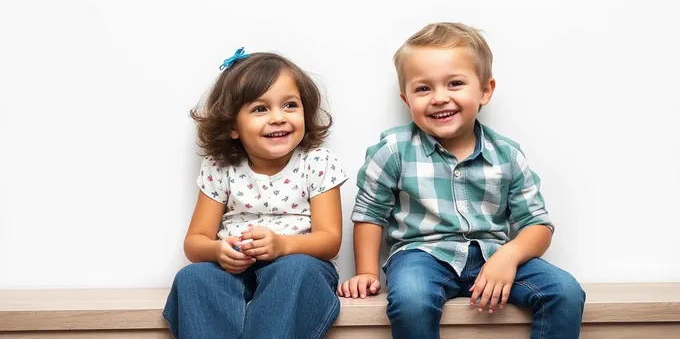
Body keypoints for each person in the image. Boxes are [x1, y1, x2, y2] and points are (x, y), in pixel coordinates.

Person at [338, 23, 586, 339]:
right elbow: (370, 216)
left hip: (494, 256)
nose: (439, 98)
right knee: (411, 299)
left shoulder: (507, 155)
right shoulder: (392, 151)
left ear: (485, 90)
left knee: (564, 291)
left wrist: (508, 257)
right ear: (406, 99)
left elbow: (538, 225)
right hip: (422, 256)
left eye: (455, 83)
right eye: (423, 88)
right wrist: (366, 272)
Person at [164, 48, 348, 339]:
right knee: (193, 276)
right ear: (233, 126)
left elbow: (329, 241)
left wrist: (282, 246)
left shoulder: (317, 162)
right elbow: (195, 243)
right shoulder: (220, 167)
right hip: (233, 269)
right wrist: (218, 251)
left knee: (296, 271)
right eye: (260, 109)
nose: (278, 117)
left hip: (297, 264)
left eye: (290, 105)